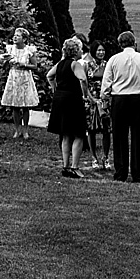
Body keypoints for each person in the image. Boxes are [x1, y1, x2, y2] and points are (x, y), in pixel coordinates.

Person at [100, 31, 140, 183]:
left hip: (120, 99)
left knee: (119, 136)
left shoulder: (114, 60)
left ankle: (121, 172)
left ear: (120, 44)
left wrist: (105, 99)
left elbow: (106, 83)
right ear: (134, 43)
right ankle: (138, 172)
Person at [46, 37, 89, 178]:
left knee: (65, 134)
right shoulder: (75, 64)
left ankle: (65, 166)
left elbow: (49, 76)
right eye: (80, 49)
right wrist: (85, 95)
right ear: (76, 51)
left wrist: (55, 90)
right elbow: (82, 79)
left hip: (60, 99)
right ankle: (75, 167)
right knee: (78, 134)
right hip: (73, 99)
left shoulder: (60, 63)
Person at [0, 27, 39, 140]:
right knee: (15, 106)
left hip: (25, 78)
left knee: (25, 106)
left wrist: (24, 65)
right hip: (14, 77)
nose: (15, 37)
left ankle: (25, 130)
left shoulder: (29, 50)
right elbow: (4, 66)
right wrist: (7, 62)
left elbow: (35, 66)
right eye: (14, 35)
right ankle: (17, 130)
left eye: (18, 36)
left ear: (24, 39)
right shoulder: (10, 49)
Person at [83, 40, 111, 171]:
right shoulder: (87, 66)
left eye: (103, 50)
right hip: (92, 100)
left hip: (105, 100)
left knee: (107, 129)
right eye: (98, 50)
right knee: (91, 130)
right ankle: (94, 157)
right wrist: (91, 98)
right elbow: (84, 84)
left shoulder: (108, 64)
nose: (101, 53)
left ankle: (106, 157)